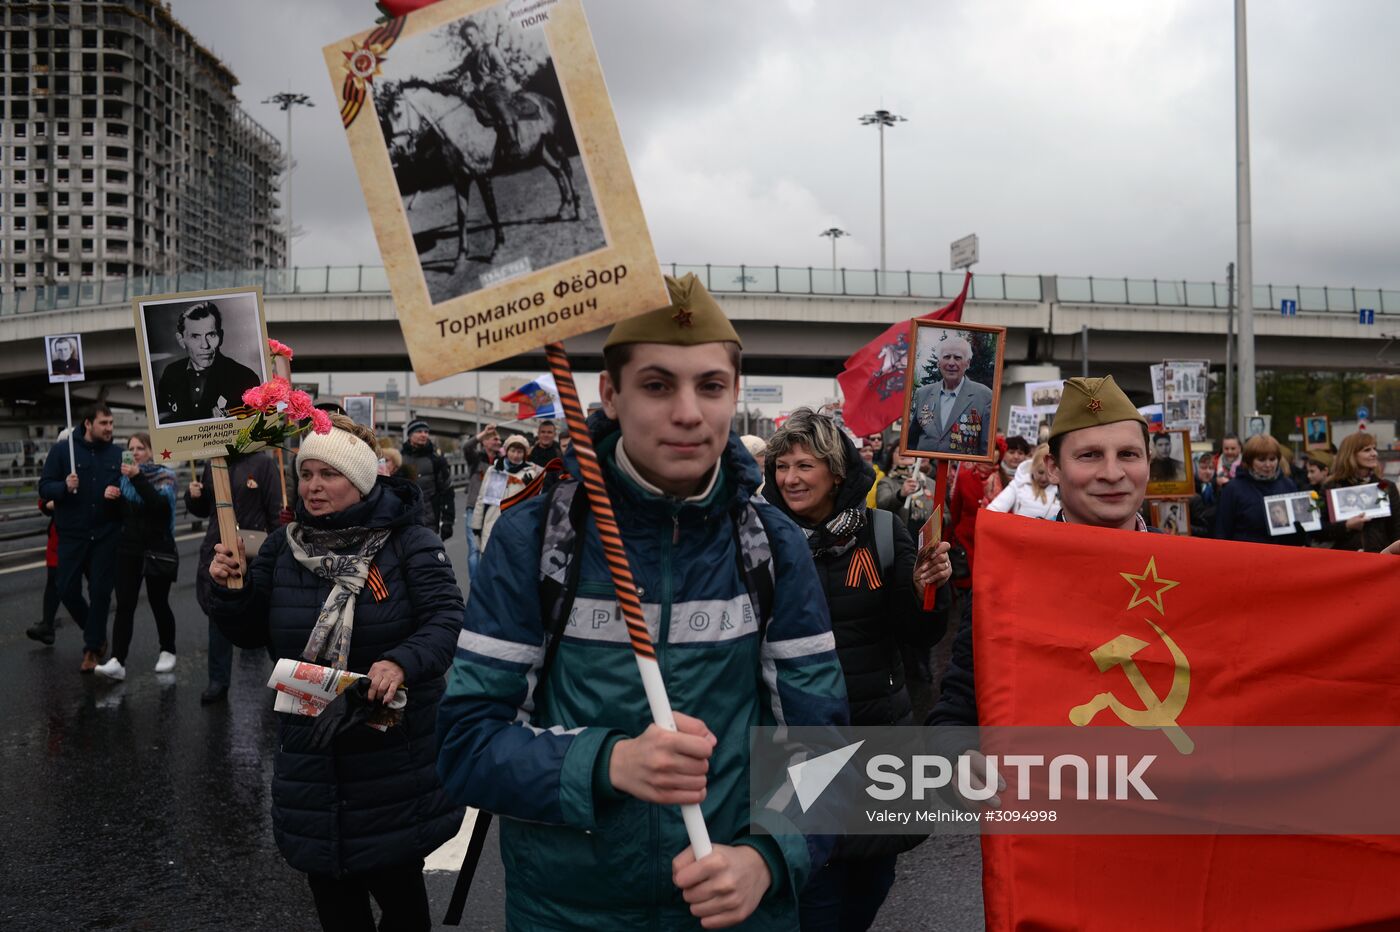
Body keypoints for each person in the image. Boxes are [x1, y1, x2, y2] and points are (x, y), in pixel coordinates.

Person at [436, 273, 849, 930]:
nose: (688, 411)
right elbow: (466, 747)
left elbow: (822, 744)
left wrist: (769, 859)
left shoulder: (772, 544)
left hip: (737, 913)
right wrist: (609, 762)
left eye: (710, 386)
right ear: (610, 393)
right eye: (658, 385)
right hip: (567, 914)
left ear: (735, 394)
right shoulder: (536, 538)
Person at [207, 415, 464, 932]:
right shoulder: (283, 546)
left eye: (329, 474)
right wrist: (231, 591)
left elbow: (445, 620)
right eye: (307, 475)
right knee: (335, 905)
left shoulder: (407, 543)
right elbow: (250, 632)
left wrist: (399, 662)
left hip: (390, 755)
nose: (314, 487)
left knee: (402, 905)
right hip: (311, 750)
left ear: (362, 479)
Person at [763, 408, 949, 931]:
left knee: (872, 882)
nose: (790, 479)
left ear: (836, 473)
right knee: (815, 888)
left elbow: (920, 634)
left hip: (877, 736)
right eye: (781, 467)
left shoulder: (883, 532)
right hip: (798, 741)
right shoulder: (761, 540)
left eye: (804, 466)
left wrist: (928, 591)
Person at [929, 376, 1157, 763]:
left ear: (1148, 462)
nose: (1112, 472)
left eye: (1129, 455)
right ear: (1052, 467)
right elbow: (958, 706)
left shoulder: (1187, 573)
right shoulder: (1007, 576)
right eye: (1089, 456)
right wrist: (959, 757)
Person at [186, 451, 282, 705]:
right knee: (219, 614)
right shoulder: (213, 460)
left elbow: (274, 512)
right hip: (219, 550)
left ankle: (285, 676)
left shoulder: (263, 463)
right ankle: (218, 680)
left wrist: (279, 553)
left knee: (268, 616)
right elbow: (204, 509)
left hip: (254, 553)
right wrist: (194, 497)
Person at [36, 404, 123, 672]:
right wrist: (64, 487)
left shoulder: (119, 453)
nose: (109, 428)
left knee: (100, 592)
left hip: (106, 533)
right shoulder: (63, 451)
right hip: (72, 534)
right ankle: (95, 630)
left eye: (111, 423)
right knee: (66, 589)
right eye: (104, 423)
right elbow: (44, 487)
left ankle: (92, 648)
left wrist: (118, 491)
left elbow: (129, 487)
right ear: (88, 423)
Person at [94, 432, 179, 680]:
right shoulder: (123, 480)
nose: (135, 452)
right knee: (124, 605)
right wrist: (109, 498)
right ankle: (118, 661)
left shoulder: (166, 476)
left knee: (158, 602)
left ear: (151, 451)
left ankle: (168, 650)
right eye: (130, 448)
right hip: (129, 550)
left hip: (157, 549)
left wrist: (138, 477)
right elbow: (114, 517)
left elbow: (159, 507)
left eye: (140, 448)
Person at [27, 434, 91, 646]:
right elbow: (44, 499)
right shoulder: (58, 469)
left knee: (92, 586)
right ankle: (48, 625)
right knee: (56, 581)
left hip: (87, 536)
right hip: (60, 535)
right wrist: (57, 499)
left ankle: (93, 628)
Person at [155, 301, 261, 424]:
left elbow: (255, 428)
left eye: (211, 335)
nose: (205, 345)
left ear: (220, 337)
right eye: (195, 336)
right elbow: (161, 419)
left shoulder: (245, 377)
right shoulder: (171, 372)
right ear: (181, 340)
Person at [451, 18, 524, 159]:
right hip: (479, 93)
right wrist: (440, 77)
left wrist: (486, 81)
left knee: (498, 105)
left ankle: (514, 143)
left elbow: (504, 70)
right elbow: (457, 72)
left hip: (495, 89)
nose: (469, 39)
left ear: (478, 33)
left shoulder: (490, 49)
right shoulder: (469, 58)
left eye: (471, 35)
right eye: (466, 37)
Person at [907, 336, 993, 455]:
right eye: (946, 357)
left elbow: (986, 447)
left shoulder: (984, 396)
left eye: (957, 358)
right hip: (925, 471)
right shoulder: (923, 394)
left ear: (967, 363)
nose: (951, 363)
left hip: (959, 472)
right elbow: (910, 440)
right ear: (938, 362)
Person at [1212, 434, 1304, 545]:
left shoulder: (1288, 485)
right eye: (1261, 460)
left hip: (1282, 556)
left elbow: (1299, 530)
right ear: (1250, 461)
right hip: (1247, 556)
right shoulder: (1233, 489)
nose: (1268, 464)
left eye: (1272, 459)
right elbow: (1222, 530)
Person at [1317, 432, 1400, 553]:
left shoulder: (1385, 486)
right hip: (1344, 560)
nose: (1374, 453)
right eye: (1367, 450)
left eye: (1374, 449)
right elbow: (1317, 529)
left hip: (1380, 560)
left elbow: (1396, 528)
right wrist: (1346, 526)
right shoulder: (1331, 487)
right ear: (1350, 455)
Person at [472, 434, 542, 551]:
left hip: (517, 527)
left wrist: (530, 486)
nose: (515, 455)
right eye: (513, 450)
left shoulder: (530, 474)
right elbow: (482, 498)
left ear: (524, 454)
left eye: (519, 452)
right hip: (492, 523)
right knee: (490, 562)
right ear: (507, 451)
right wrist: (476, 524)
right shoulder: (494, 470)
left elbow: (534, 505)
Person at [400, 419, 454, 541]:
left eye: (426, 431)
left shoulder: (437, 460)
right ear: (410, 435)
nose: (424, 434)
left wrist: (448, 521)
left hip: (429, 521)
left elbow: (447, 492)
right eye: (419, 431)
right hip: (404, 521)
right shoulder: (399, 459)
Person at [986, 443, 1060, 521]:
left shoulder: (1063, 489)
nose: (1044, 478)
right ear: (1033, 467)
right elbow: (994, 509)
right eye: (1040, 472)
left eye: (1049, 474)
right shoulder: (1019, 483)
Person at [876, 454, 938, 538]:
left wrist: (934, 521)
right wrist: (901, 494)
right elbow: (882, 505)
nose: (906, 454)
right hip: (899, 536)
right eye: (900, 452)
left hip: (926, 537)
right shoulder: (887, 482)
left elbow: (945, 513)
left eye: (909, 453)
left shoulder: (930, 483)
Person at [1188, 452, 1218, 537]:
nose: (1208, 472)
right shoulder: (1189, 492)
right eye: (1203, 468)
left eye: (1211, 468)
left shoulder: (1218, 489)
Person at [858, 441, 885, 509]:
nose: (869, 454)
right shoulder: (852, 475)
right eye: (864, 451)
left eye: (870, 451)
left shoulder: (881, 475)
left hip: (874, 516)